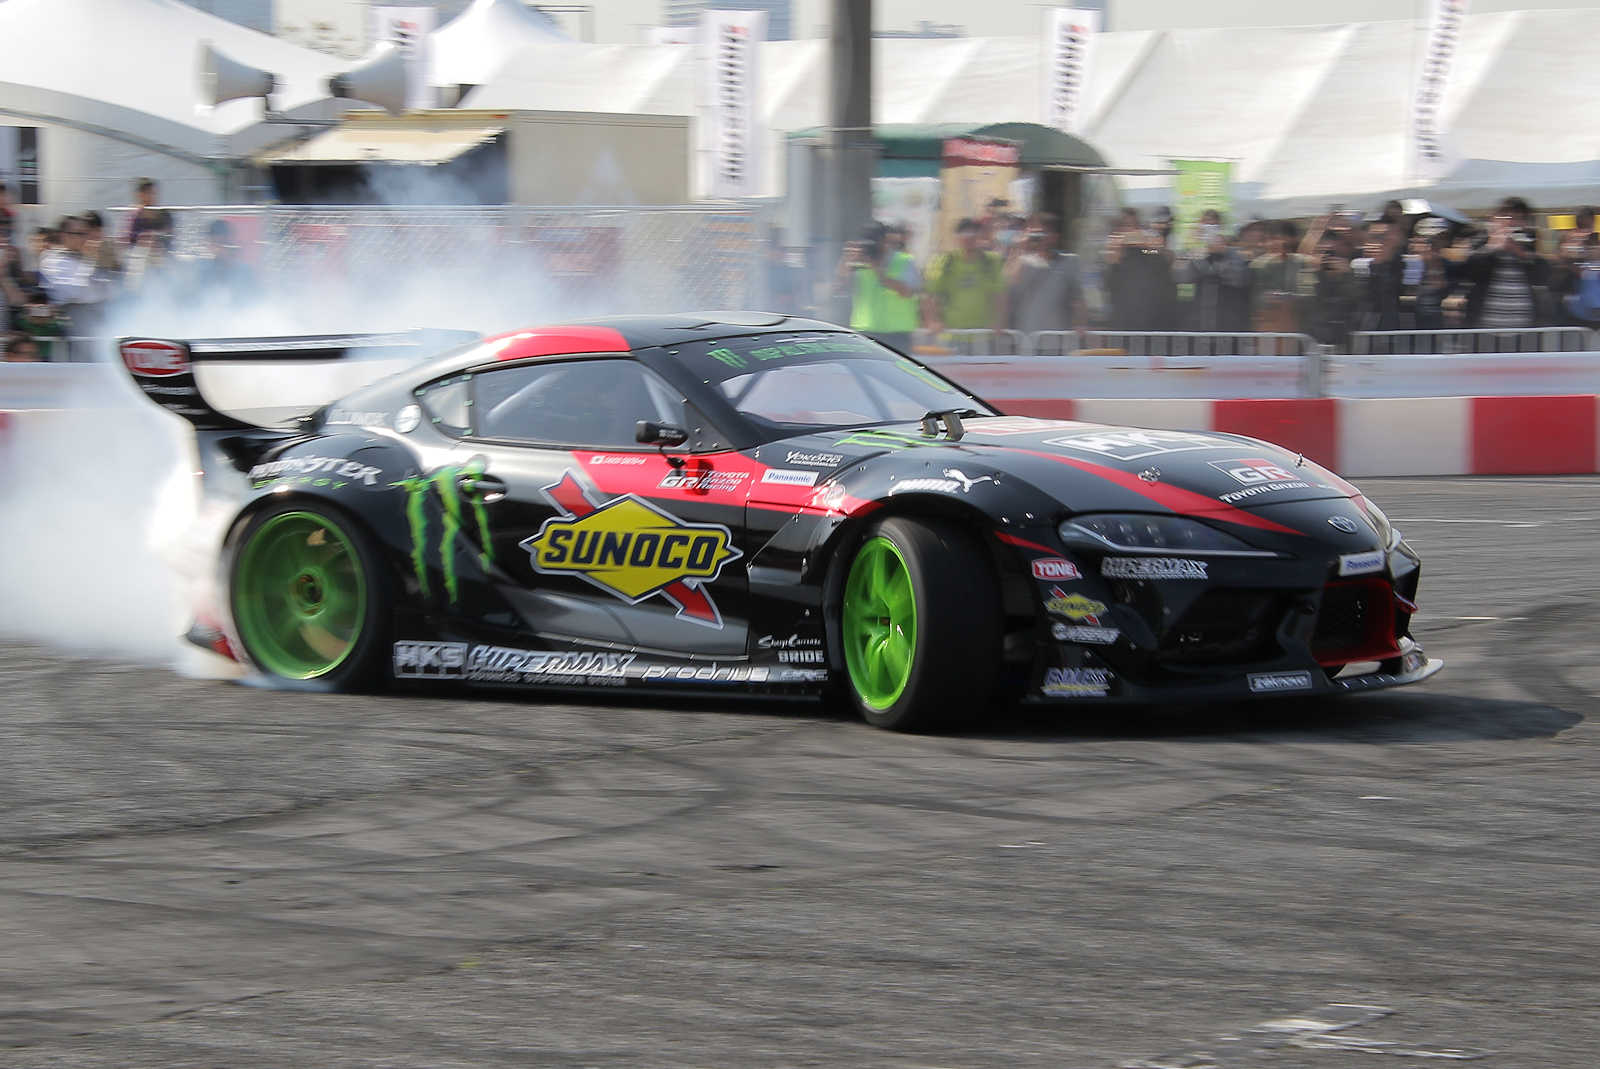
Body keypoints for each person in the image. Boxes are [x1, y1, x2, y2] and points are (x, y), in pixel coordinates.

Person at [1459, 196, 1549, 329]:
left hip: (1523, 324)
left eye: (1518, 218)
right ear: (1495, 219)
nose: (1511, 223)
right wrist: (1492, 247)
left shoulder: (1529, 242)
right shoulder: (1482, 240)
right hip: (1485, 324)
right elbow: (1470, 272)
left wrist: (1521, 253)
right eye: (1507, 217)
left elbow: (1542, 277)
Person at [839, 221, 921, 352]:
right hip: (865, 331)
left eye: (874, 243)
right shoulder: (859, 262)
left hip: (897, 334)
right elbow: (839, 288)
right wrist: (845, 262)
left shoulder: (904, 260)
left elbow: (907, 292)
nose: (871, 248)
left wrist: (878, 269)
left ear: (885, 241)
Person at [1002, 213, 1084, 339]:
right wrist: (1019, 248)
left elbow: (1078, 299)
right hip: (1027, 340)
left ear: (1055, 236)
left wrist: (1080, 323)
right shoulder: (1022, 263)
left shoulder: (1070, 261)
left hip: (1059, 339)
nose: (1040, 238)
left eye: (1045, 233)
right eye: (1036, 234)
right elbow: (1004, 285)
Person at [926, 218, 1004, 332]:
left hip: (983, 332)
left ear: (979, 236)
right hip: (951, 331)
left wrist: (998, 321)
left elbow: (1000, 295)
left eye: (973, 234)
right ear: (956, 237)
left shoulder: (992, 261)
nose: (968, 238)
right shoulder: (944, 261)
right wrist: (933, 321)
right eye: (964, 234)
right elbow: (931, 295)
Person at [1180, 209, 1251, 332]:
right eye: (1206, 226)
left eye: (1213, 226)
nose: (1210, 232)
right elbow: (1183, 277)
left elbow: (1239, 279)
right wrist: (1195, 248)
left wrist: (1222, 253)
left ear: (1220, 229)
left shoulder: (1233, 253)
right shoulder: (1194, 252)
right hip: (1199, 320)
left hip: (1226, 321)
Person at [1251, 220, 1313, 333]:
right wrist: (1265, 298)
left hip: (1296, 324)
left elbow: (1309, 295)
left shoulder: (1303, 263)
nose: (1274, 243)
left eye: (1278, 238)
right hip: (1267, 325)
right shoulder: (1258, 265)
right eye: (1270, 239)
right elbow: (1253, 296)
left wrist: (1286, 297)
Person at [125, 178, 173, 250]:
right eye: (147, 193)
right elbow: (129, 242)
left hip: (160, 253)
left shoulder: (165, 215)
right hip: (139, 253)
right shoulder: (133, 216)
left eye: (153, 193)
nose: (151, 196)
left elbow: (169, 241)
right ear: (140, 195)